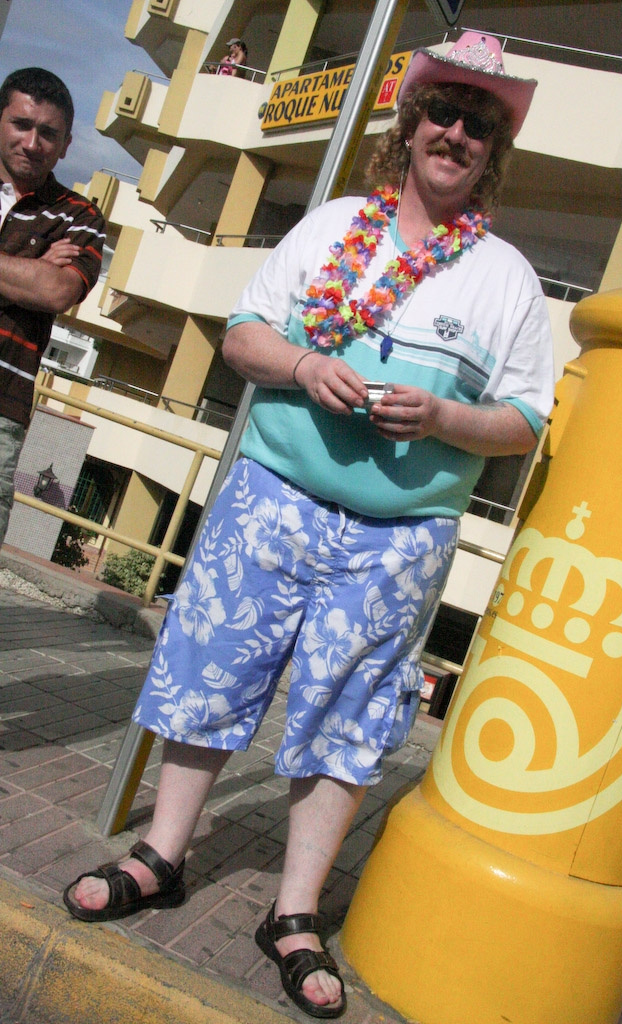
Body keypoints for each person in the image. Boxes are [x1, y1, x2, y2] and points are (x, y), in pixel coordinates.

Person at [63, 31, 554, 1020]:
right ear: (410, 124)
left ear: (490, 150)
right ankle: (162, 853)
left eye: (477, 123)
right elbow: (244, 337)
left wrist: (444, 418)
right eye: (443, 111)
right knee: (211, 667)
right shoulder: (331, 227)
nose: (455, 133)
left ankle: (292, 914)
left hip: (398, 536)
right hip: (273, 496)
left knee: (350, 712)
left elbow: (523, 422)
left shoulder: (507, 278)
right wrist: (302, 366)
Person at [0, 67, 105, 545]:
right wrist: (31, 267)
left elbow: (57, 292)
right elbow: (38, 285)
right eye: (21, 125)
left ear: (65, 145)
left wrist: (44, 277)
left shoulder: (79, 216)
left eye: (48, 133)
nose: (32, 143)